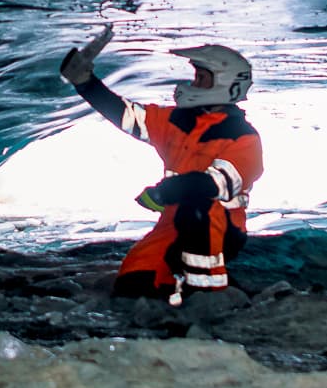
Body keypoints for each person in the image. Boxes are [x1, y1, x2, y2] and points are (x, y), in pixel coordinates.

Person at [58, 27, 263, 304]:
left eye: (201, 78)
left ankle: (208, 294)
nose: (192, 84)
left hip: (219, 227)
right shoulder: (180, 121)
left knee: (196, 206)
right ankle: (185, 287)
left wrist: (162, 193)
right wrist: (85, 83)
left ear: (224, 85)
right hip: (172, 222)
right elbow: (128, 117)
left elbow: (209, 185)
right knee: (132, 285)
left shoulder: (244, 139)